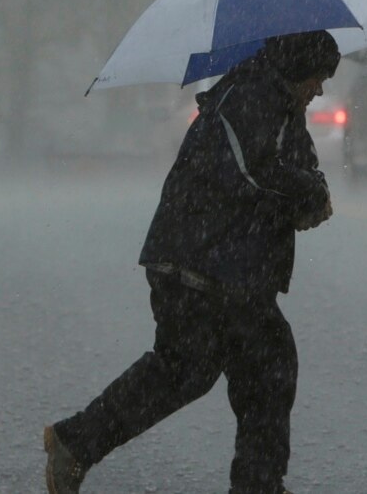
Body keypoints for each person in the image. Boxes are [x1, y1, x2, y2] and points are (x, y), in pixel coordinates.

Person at [44, 30, 341, 494]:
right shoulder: (248, 95)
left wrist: (312, 198)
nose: (320, 89)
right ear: (297, 68)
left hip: (231, 270)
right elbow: (250, 172)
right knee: (217, 367)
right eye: (318, 77)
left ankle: (82, 443)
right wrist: (304, 192)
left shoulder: (282, 106)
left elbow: (297, 169)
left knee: (243, 370)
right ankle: (78, 442)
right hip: (199, 263)